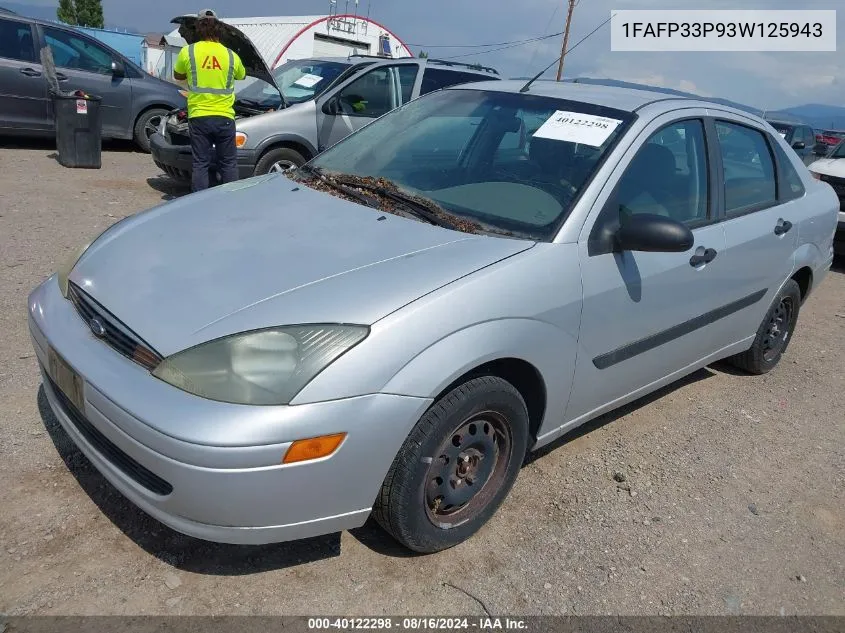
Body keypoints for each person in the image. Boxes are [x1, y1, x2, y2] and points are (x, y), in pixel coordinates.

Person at [173, 9, 246, 192]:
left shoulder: (188, 52)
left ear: (198, 28)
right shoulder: (230, 55)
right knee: (228, 164)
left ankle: (200, 205)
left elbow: (177, 74)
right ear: (219, 29)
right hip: (224, 117)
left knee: (200, 164)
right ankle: (230, 202)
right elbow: (242, 75)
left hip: (199, 117)